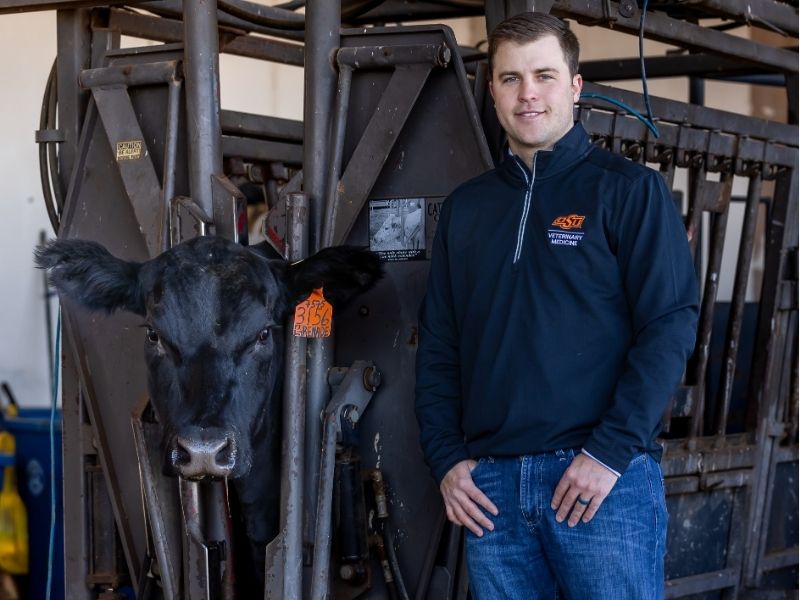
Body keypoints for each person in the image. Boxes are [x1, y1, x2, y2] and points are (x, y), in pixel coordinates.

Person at [414, 12, 699, 600]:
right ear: (491, 90)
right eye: (511, 78)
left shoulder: (627, 191)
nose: (528, 94)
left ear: (574, 84)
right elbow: (440, 343)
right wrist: (446, 459)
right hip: (491, 489)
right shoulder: (467, 209)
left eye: (544, 75)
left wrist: (608, 452)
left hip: (600, 482)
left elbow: (669, 327)